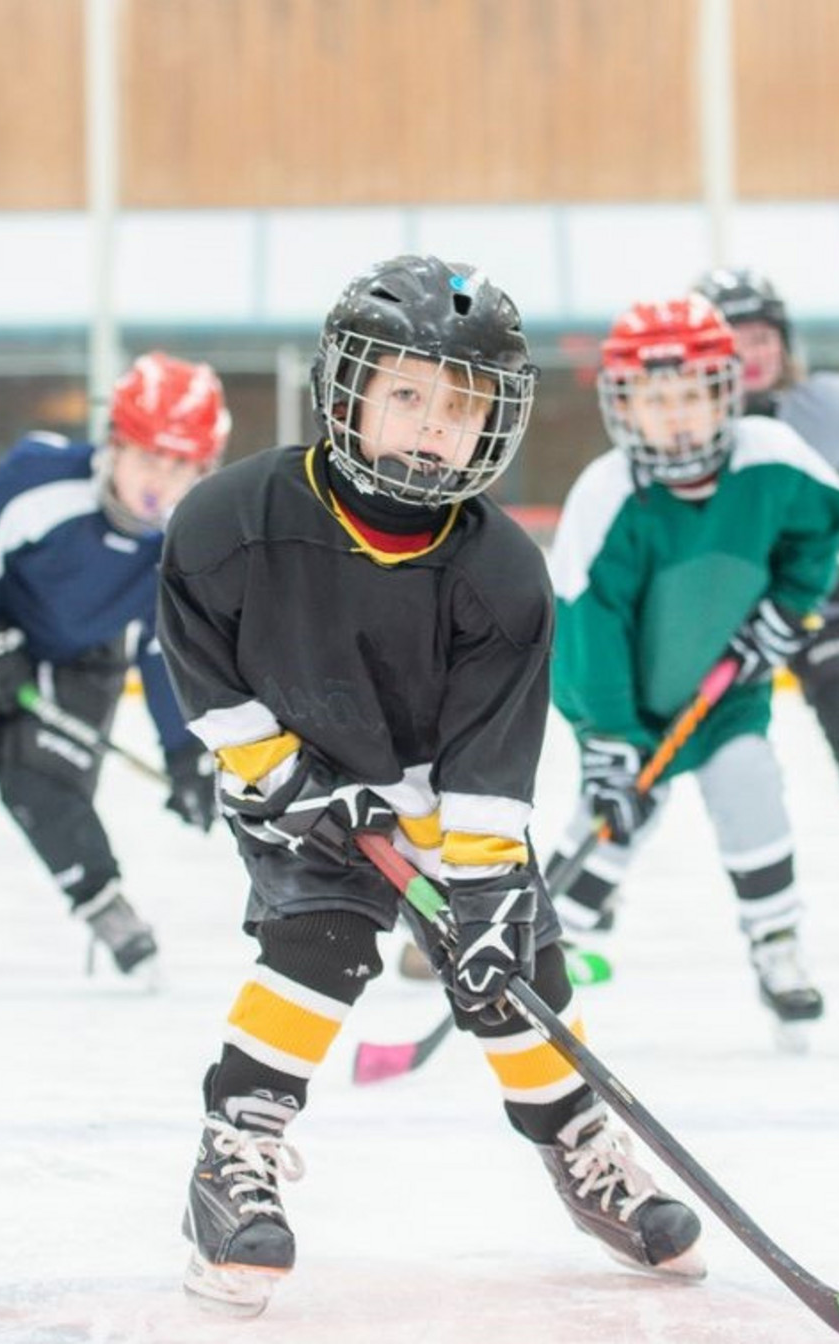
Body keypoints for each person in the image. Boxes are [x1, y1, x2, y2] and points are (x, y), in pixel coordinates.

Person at [156, 255, 701, 1317]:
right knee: (320, 942)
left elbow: (489, 765)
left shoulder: (502, 575)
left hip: (428, 797)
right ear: (347, 388)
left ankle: (580, 1147)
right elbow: (205, 677)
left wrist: (489, 891)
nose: (431, 426)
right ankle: (233, 1156)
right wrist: (283, 776)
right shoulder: (229, 521)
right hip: (293, 781)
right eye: (405, 393)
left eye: (461, 406)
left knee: (513, 967)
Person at [0, 352, 227, 978]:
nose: (157, 481)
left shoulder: (183, 547)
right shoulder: (44, 479)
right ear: (115, 444)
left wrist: (184, 751)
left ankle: (107, 908)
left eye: (178, 465)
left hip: (83, 661)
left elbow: (164, 650)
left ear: (204, 469)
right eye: (146, 455)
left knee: (46, 786)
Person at [544, 293, 839, 1045]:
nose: (675, 416)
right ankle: (549, 945)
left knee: (751, 786)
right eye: (656, 400)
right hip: (625, 703)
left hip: (726, 693)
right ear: (625, 406)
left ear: (725, 393)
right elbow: (587, 634)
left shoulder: (775, 463)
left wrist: (786, 614)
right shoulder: (607, 496)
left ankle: (777, 945)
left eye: (691, 396)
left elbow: (822, 528)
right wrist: (612, 738)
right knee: (614, 816)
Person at [691, 267, 839, 948]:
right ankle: (601, 879)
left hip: (823, 597)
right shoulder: (684, 415)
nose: (751, 351)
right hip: (726, 611)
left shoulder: (836, 405)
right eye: (732, 338)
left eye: (762, 336)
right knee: (673, 732)